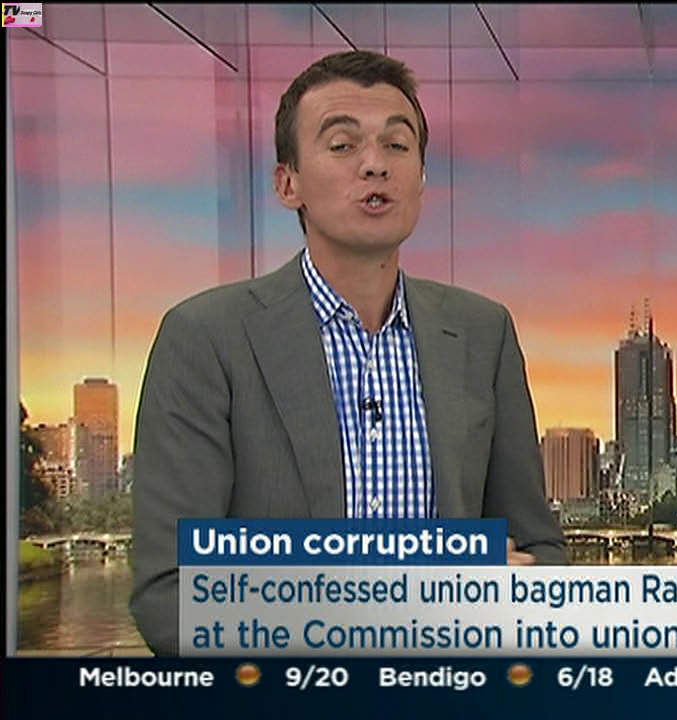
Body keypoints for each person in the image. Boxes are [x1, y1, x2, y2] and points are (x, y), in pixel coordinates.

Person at [130, 50, 566, 656]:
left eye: (397, 145)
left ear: (421, 178)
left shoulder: (482, 333)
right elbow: (173, 597)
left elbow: (537, 551)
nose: (375, 164)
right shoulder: (206, 338)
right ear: (289, 184)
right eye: (342, 145)